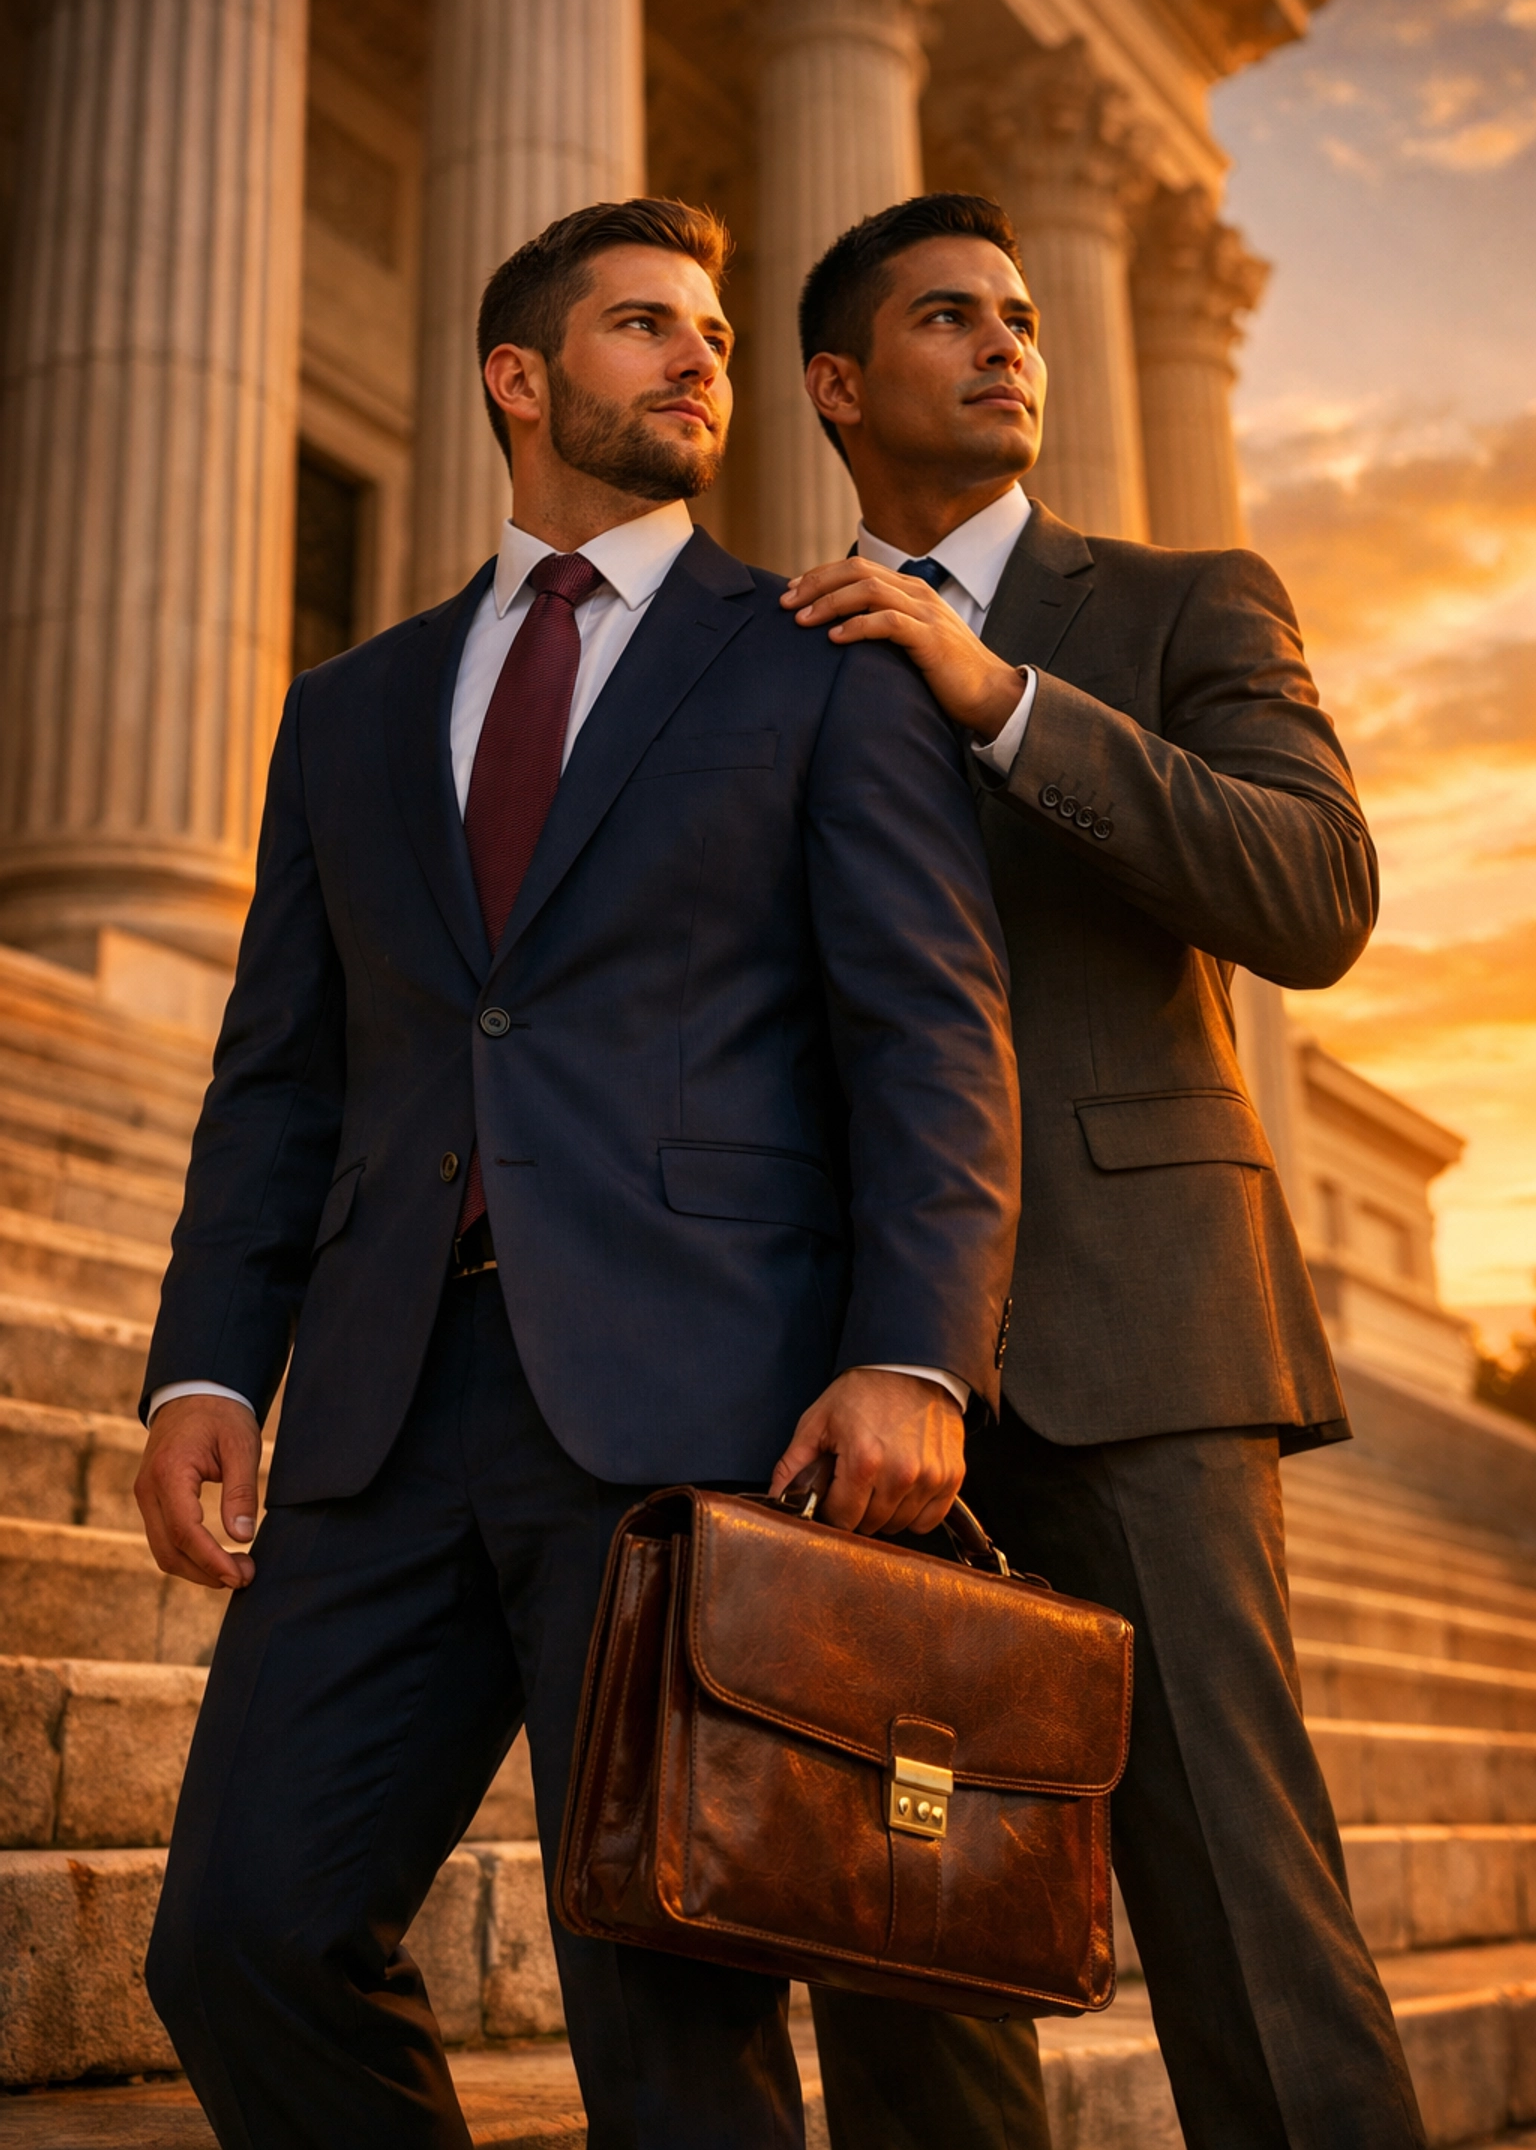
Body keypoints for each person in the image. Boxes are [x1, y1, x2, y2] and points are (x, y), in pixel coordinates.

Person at [132, 196, 1022, 2150]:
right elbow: (279, 1077)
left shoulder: (823, 660)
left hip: (692, 1414)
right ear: (518, 379)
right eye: (643, 325)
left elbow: (930, 1035)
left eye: (715, 334)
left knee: (671, 2029)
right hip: (379, 1412)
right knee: (242, 1940)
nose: (701, 357)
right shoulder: (349, 708)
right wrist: (206, 1365)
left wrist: (914, 1354)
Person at [785, 193, 1426, 2150]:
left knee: (1245, 1917)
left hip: (1144, 1346)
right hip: (852, 1369)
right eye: (948, 317)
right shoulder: (762, 652)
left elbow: (1314, 891)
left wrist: (998, 702)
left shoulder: (1180, 602)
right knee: (903, 1946)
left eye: (1021, 315)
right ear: (836, 385)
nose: (1009, 343)